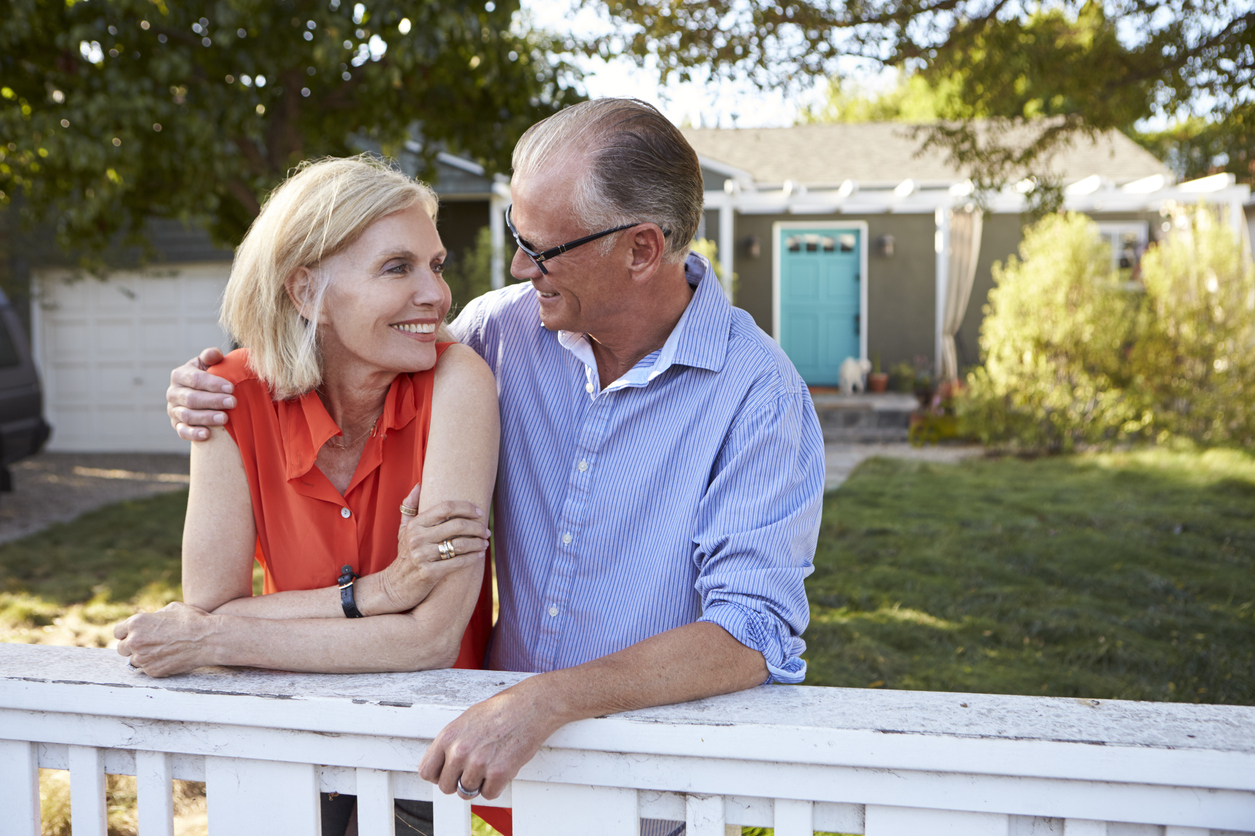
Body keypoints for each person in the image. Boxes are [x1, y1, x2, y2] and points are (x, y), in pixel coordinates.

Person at [166, 99, 825, 834]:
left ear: (641, 249)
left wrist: (545, 700)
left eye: (542, 248)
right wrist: (209, 387)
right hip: (470, 753)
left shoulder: (760, 395)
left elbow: (750, 631)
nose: (517, 266)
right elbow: (356, 342)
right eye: (517, 237)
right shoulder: (495, 333)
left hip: (647, 767)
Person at [121, 155, 502, 835]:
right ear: (305, 291)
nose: (436, 295)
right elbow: (211, 597)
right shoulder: (226, 397)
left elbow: (432, 638)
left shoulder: (457, 381)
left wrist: (214, 637)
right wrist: (378, 596)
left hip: (424, 758)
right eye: (398, 268)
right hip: (286, 735)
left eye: (436, 265)